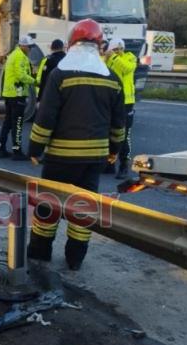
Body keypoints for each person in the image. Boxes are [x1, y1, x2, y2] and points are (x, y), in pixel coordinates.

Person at [26, 19, 126, 270]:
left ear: (71, 43)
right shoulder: (112, 78)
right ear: (100, 45)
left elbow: (46, 117)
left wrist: (35, 149)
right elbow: (118, 124)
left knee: (49, 205)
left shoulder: (60, 75)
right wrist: (114, 151)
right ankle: (75, 258)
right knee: (83, 209)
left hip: (61, 157)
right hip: (94, 160)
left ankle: (39, 254)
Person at [0, 36, 36, 160]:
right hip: (17, 95)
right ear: (23, 46)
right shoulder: (20, 56)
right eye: (29, 47)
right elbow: (20, 75)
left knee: (7, 123)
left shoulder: (14, 54)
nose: (30, 49)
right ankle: (17, 152)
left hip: (10, 95)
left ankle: (1, 149)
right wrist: (34, 81)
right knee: (17, 124)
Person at [103, 37, 137, 179]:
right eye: (116, 49)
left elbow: (127, 68)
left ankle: (124, 165)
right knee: (109, 133)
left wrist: (114, 56)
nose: (119, 51)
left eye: (121, 48)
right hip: (112, 101)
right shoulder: (109, 60)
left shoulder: (130, 58)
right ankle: (110, 163)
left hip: (127, 102)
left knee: (124, 135)